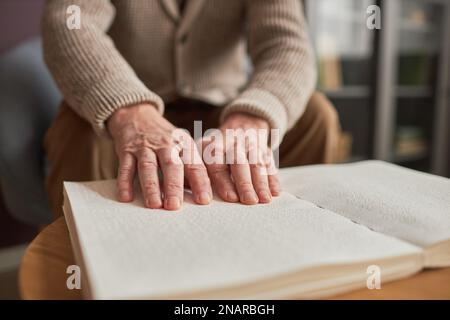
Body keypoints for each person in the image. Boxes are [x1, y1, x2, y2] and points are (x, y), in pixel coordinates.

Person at [41, 0, 340, 216]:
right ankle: (82, 264)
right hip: (133, 107)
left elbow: (286, 42)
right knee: (80, 129)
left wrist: (252, 118)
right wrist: (129, 111)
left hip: (224, 109)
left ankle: (298, 240)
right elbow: (69, 22)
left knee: (317, 115)